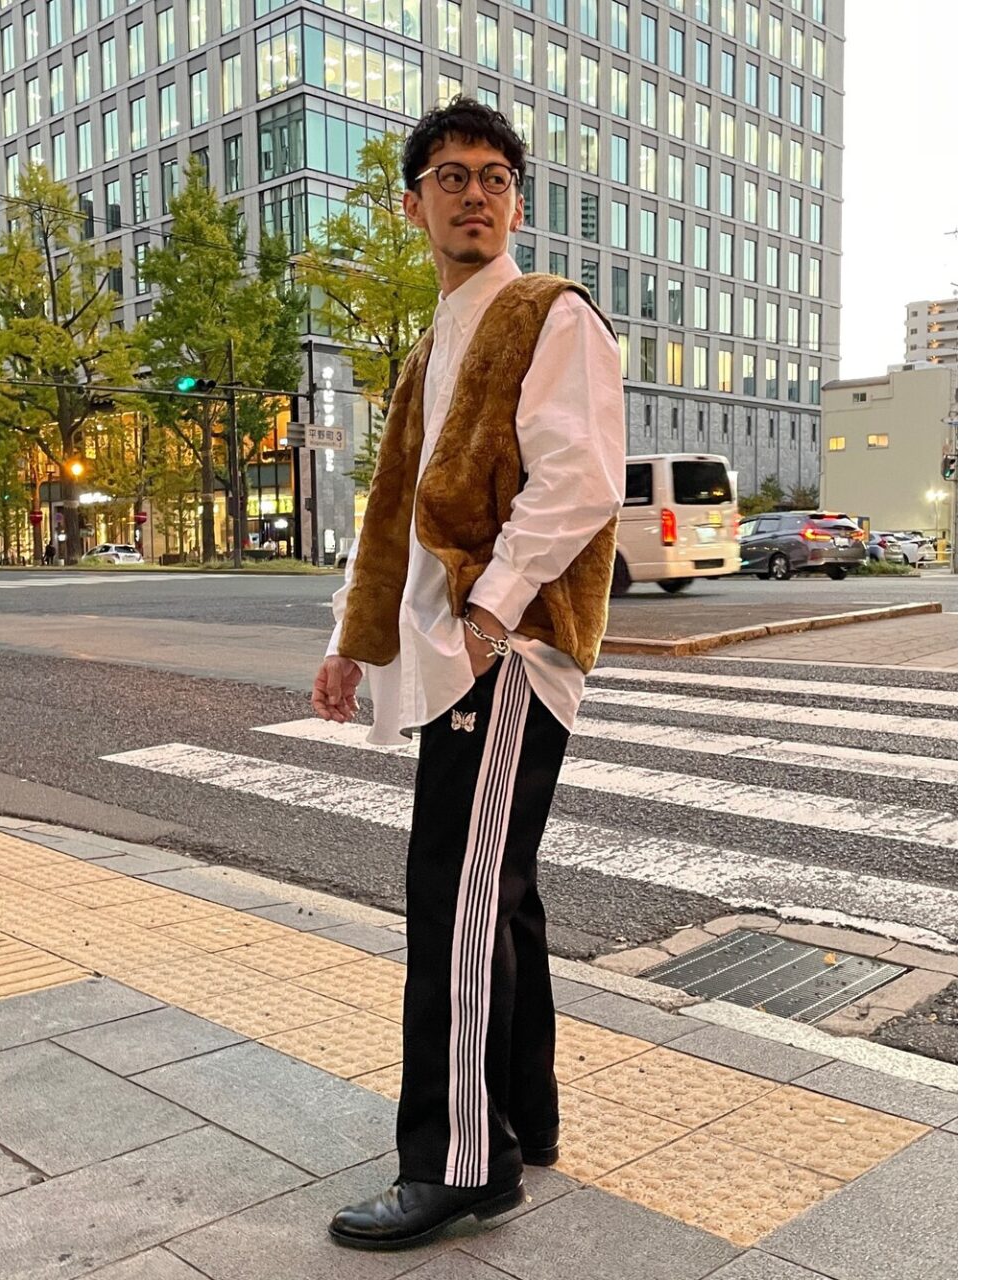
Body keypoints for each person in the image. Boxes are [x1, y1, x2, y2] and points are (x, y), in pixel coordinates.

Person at [311, 96, 625, 1252]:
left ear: (516, 205)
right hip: (461, 654)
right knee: (500, 892)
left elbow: (579, 478)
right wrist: (353, 640)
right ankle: (523, 1118)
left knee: (455, 899)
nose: (475, 193)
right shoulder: (432, 342)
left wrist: (490, 613)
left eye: (494, 176)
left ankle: (459, 1163)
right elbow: (392, 511)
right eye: (451, 176)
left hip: (507, 650)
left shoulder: (547, 313)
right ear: (413, 205)